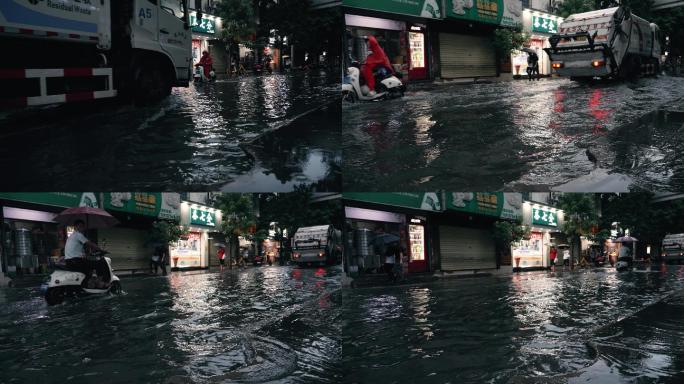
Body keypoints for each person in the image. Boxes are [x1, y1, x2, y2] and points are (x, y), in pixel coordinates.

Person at [64, 220, 104, 287]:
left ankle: (88, 283)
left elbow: (78, 250)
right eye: (80, 226)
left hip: (69, 262)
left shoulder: (71, 236)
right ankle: (98, 282)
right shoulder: (78, 235)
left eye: (82, 226)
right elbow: (90, 244)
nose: (82, 228)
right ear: (75, 227)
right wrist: (101, 249)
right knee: (100, 263)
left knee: (88, 265)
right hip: (76, 261)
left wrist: (87, 253)